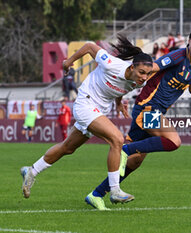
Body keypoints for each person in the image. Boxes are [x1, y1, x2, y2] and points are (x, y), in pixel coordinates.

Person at [85, 26, 191, 210]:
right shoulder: (177, 56)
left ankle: (96, 194)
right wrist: (121, 89)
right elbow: (152, 68)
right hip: (147, 108)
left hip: (155, 112)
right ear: (189, 40)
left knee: (135, 162)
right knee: (173, 141)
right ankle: (126, 149)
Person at [20, 35, 154, 209]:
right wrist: (69, 61)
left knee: (68, 147)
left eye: (148, 74)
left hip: (99, 110)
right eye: (142, 72)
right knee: (117, 139)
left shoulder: (137, 82)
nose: (144, 77)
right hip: (86, 104)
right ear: (131, 67)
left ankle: (31, 171)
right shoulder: (112, 64)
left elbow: (122, 87)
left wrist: (119, 103)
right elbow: (90, 47)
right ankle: (114, 191)